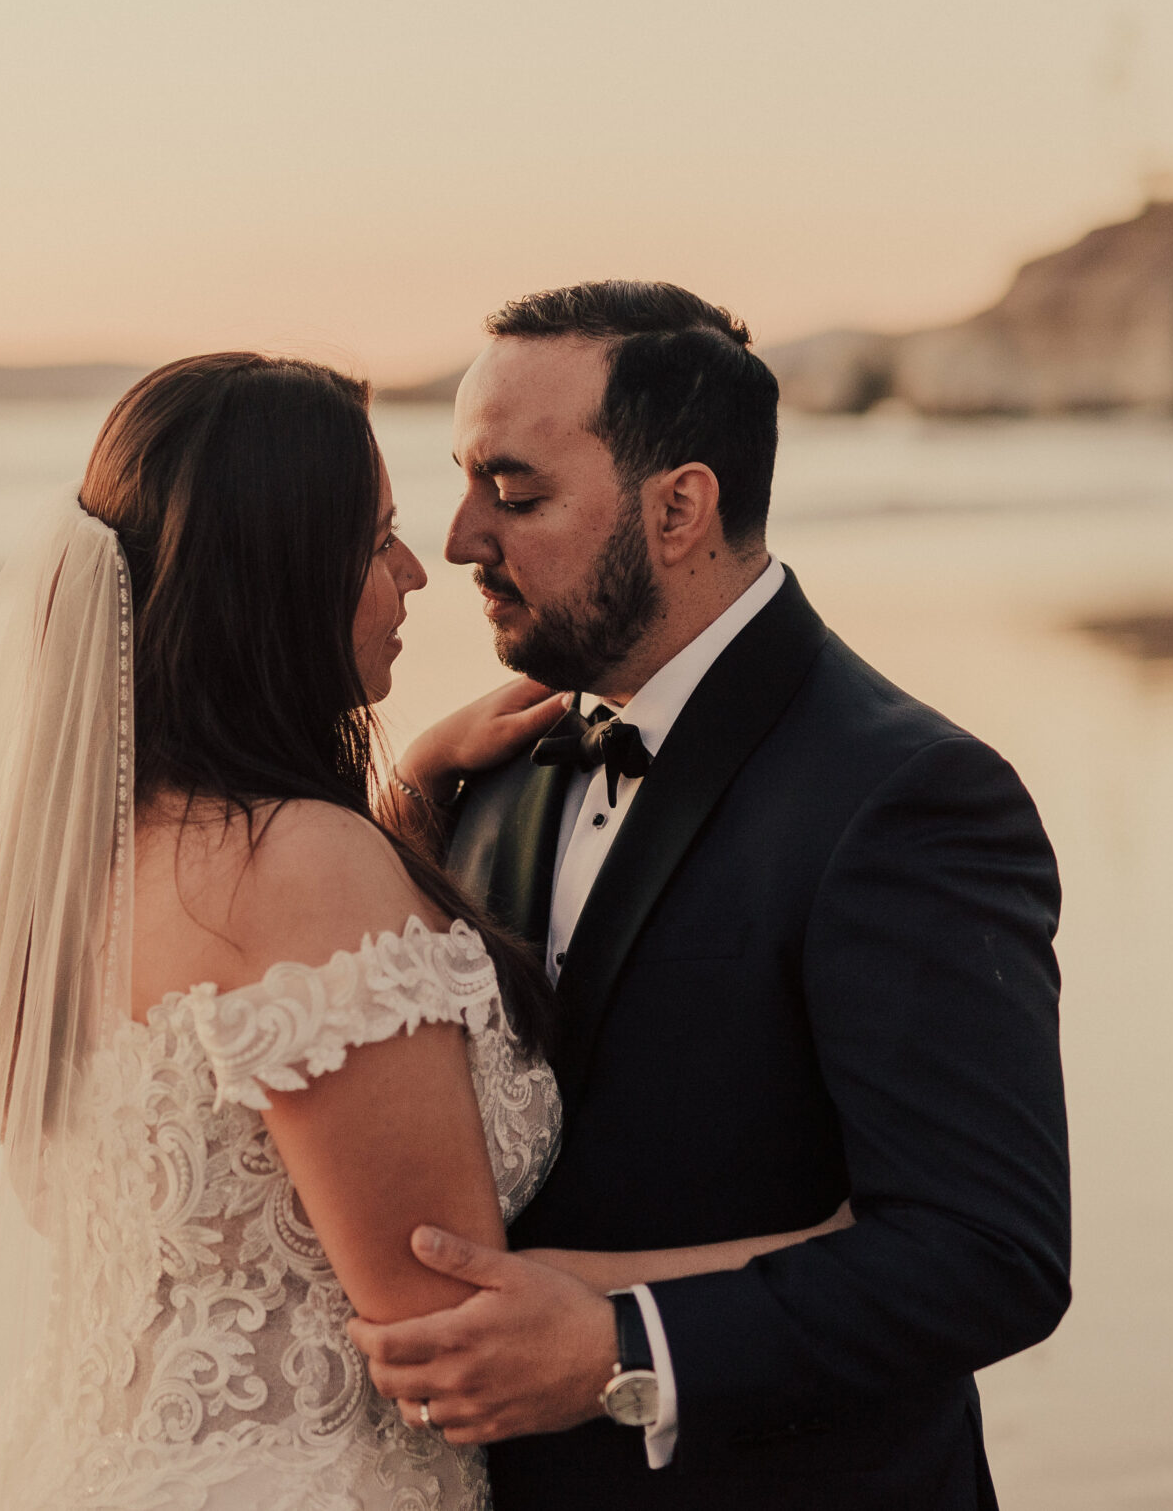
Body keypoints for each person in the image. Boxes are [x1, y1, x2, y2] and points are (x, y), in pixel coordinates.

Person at [0, 351, 846, 1511]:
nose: (420, 571)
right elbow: (446, 1326)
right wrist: (797, 1251)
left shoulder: (90, 857)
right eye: (375, 541)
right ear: (275, 579)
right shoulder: (303, 868)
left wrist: (408, 789)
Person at [351, 282, 1071, 1510]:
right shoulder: (489, 763)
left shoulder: (911, 797)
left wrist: (627, 1349)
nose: (463, 538)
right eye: (465, 486)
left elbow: (987, 1253)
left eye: (515, 494)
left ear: (680, 506)